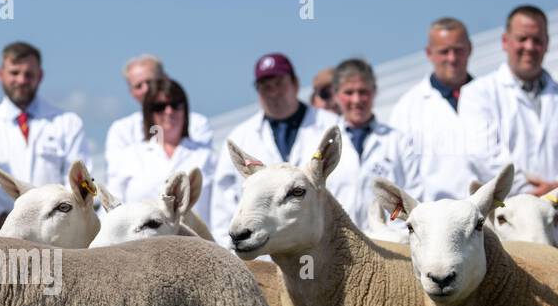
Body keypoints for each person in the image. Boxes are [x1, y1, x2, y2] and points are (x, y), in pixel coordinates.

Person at [459, 5, 558, 262]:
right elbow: (484, 152)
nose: (529, 47)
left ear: (546, 44)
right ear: (505, 41)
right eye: (522, 38)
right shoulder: (478, 94)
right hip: (509, 235)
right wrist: (530, 194)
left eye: (537, 40)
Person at [210, 52, 340, 241]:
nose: (273, 92)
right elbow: (223, 207)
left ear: (295, 84)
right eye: (265, 86)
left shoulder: (331, 127)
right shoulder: (241, 137)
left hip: (324, 248)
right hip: (259, 257)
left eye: (279, 83)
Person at [0, 41, 88, 230]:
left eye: (28, 74)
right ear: (0, 74)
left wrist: (54, 218)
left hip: (58, 234)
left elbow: (81, 182)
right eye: (14, 73)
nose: (21, 80)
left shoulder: (68, 123)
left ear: (40, 76)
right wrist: (6, 223)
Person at [322, 59, 421, 235]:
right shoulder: (324, 143)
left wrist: (394, 234)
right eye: (349, 92)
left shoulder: (398, 141)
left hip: (390, 244)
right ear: (336, 95)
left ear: (374, 92)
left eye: (363, 92)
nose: (357, 99)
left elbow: (414, 197)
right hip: (337, 243)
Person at [389, 17, 478, 202]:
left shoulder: (491, 96)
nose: (452, 58)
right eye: (444, 51)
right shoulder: (407, 108)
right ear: (429, 53)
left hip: (489, 217)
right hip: (436, 222)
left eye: (458, 50)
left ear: (470, 49)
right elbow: (398, 175)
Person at [106, 77, 216, 225]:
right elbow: (112, 210)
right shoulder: (130, 157)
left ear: (185, 109)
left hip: (196, 243)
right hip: (141, 245)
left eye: (175, 104)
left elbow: (221, 209)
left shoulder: (206, 156)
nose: (169, 111)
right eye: (159, 106)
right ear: (149, 113)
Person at [103, 54, 212, 169]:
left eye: (150, 82)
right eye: (138, 86)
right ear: (131, 92)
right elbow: (116, 172)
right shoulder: (121, 130)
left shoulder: (197, 123)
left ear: (166, 79)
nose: (146, 89)